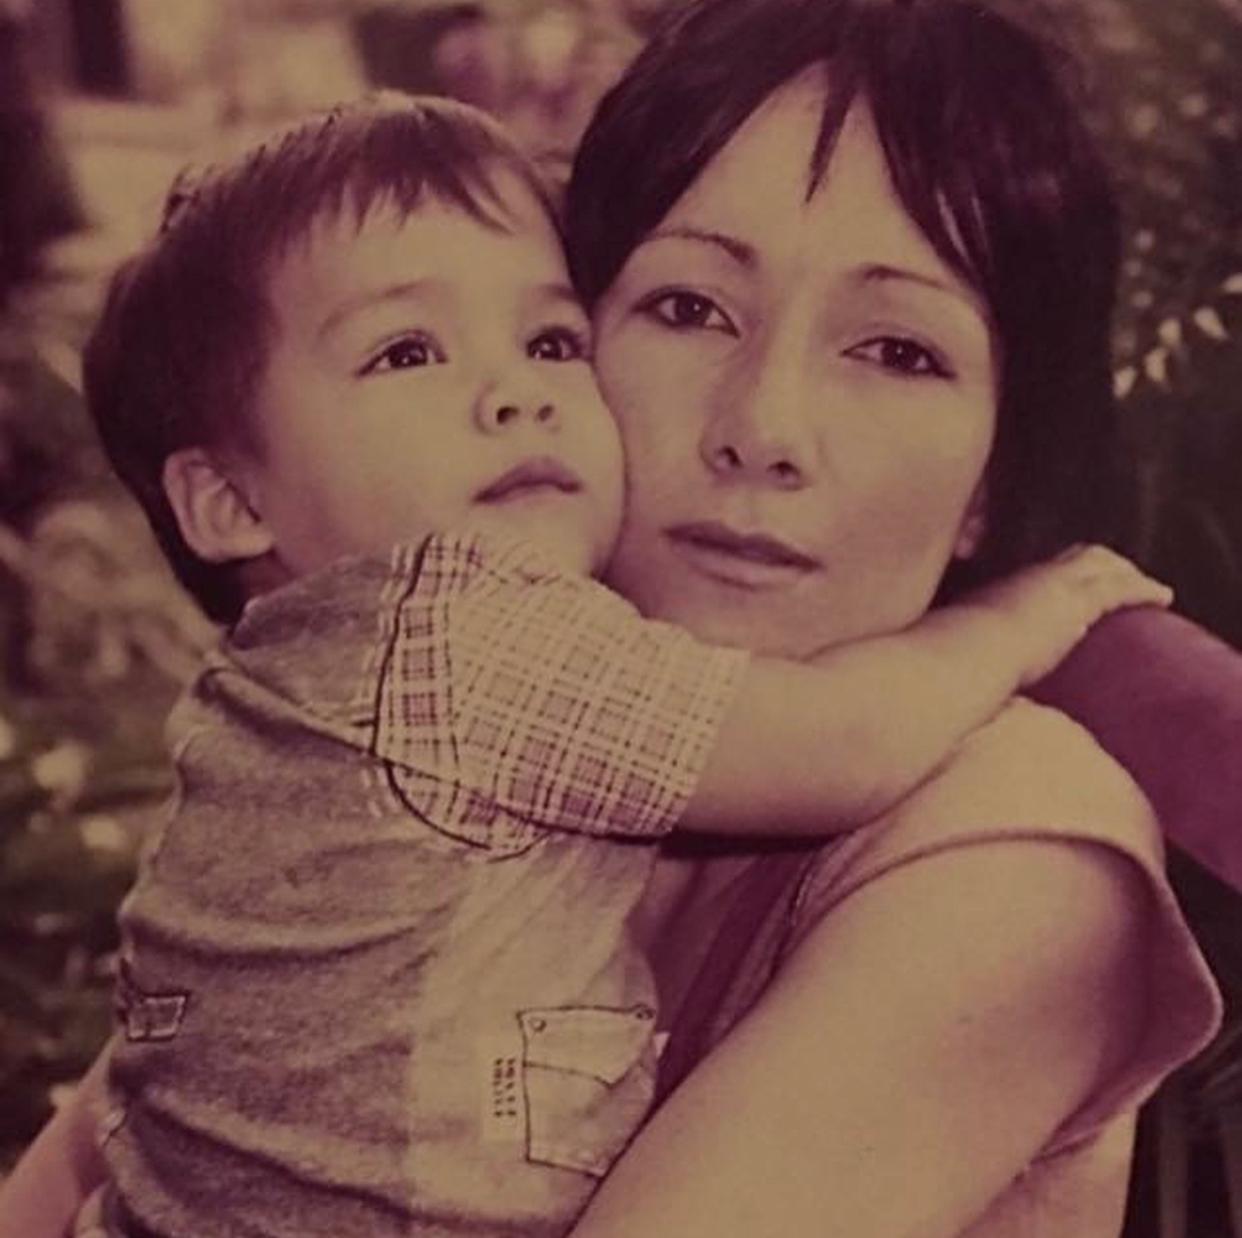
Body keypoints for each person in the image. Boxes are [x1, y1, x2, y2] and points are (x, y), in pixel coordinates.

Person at [0, 1, 1233, 1235]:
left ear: (992, 485)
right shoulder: (449, 729)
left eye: (900, 350)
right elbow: (114, 1141)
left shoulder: (1012, 860)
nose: (764, 427)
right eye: (690, 308)